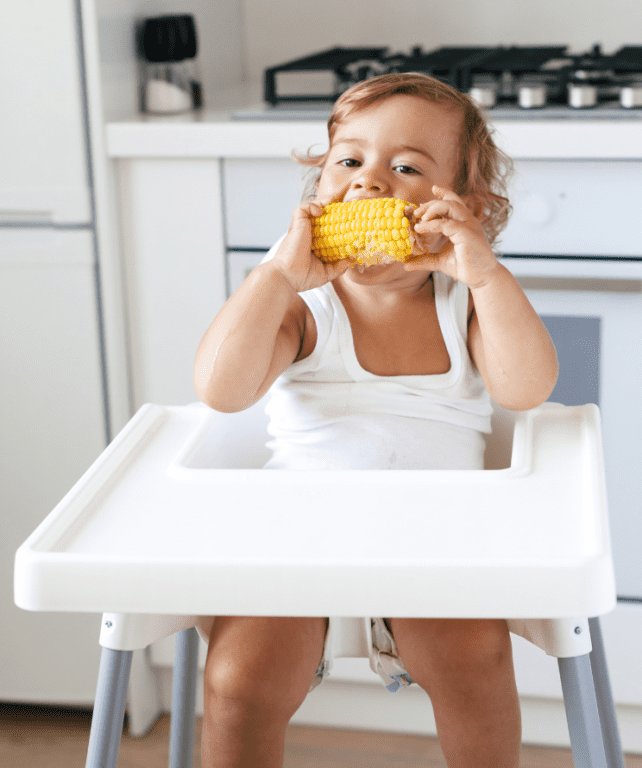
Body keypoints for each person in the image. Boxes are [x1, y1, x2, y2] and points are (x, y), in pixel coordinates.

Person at [193, 72, 558, 768]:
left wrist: (485, 275)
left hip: (435, 539)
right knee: (238, 681)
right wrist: (271, 278)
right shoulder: (303, 309)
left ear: (464, 205)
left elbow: (527, 388)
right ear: (318, 190)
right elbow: (221, 389)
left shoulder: (463, 304)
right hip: (300, 538)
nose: (370, 183)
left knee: (478, 668)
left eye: (407, 167)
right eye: (349, 161)